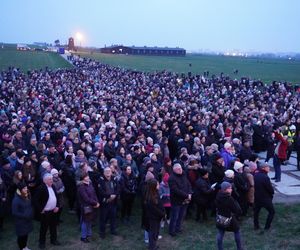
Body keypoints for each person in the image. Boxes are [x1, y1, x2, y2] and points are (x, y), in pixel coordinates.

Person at [34, 173, 60, 249]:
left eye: (51, 179)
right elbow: (35, 200)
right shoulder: (41, 188)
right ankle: (41, 243)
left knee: (53, 226)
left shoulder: (53, 186)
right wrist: (41, 209)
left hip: (54, 211)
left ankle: (54, 240)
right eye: (49, 179)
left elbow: (56, 197)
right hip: (46, 212)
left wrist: (57, 206)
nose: (51, 180)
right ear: (44, 180)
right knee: (44, 228)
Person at [215, 181, 243, 250]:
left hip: (220, 217)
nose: (231, 189)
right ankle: (239, 248)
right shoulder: (229, 198)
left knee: (220, 232)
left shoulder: (218, 195)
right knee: (237, 231)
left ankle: (220, 248)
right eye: (230, 188)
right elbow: (236, 210)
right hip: (229, 218)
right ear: (225, 189)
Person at [168, 163, 192, 237]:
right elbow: (175, 190)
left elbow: (188, 184)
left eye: (181, 168)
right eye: (178, 169)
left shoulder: (183, 175)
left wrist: (190, 193)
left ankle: (178, 228)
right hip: (176, 200)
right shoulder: (171, 178)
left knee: (181, 215)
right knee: (175, 216)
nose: (180, 170)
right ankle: (172, 230)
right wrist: (187, 195)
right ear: (174, 170)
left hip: (185, 199)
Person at [77, 173, 100, 243]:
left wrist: (97, 202)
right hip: (86, 206)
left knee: (89, 220)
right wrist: (95, 203)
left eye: (88, 176)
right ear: (83, 178)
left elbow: (94, 194)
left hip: (92, 205)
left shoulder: (90, 184)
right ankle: (83, 237)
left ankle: (89, 234)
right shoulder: (81, 187)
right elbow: (86, 198)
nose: (88, 177)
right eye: (86, 176)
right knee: (85, 221)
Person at [98, 167, 119, 238]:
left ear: (111, 172)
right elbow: (100, 191)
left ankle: (113, 230)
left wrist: (115, 195)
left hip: (113, 201)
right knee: (103, 218)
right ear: (104, 173)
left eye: (109, 171)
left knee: (113, 217)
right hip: (105, 202)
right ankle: (102, 232)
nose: (108, 172)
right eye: (106, 171)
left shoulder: (114, 178)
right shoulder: (101, 180)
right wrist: (109, 196)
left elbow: (118, 188)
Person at [144, 178, 165, 250]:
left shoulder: (155, 193)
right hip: (153, 218)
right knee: (153, 233)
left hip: (157, 217)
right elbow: (154, 209)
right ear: (154, 186)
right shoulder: (150, 197)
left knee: (155, 232)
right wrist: (162, 214)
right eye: (158, 184)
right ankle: (152, 247)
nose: (159, 185)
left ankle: (153, 245)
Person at [12, 182, 33, 250]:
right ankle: (22, 248)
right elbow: (15, 212)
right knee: (21, 236)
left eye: (26, 187)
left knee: (25, 234)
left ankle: (25, 247)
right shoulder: (16, 200)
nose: (26, 189)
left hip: (27, 220)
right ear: (20, 189)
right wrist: (25, 215)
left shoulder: (26, 195)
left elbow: (29, 206)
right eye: (24, 188)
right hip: (20, 222)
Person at [253, 162, 275, 231]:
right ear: (263, 168)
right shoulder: (265, 177)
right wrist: (272, 192)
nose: (269, 168)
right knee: (272, 212)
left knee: (256, 212)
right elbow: (270, 188)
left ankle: (256, 226)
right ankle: (267, 227)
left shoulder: (256, 175)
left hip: (257, 197)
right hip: (265, 198)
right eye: (267, 167)